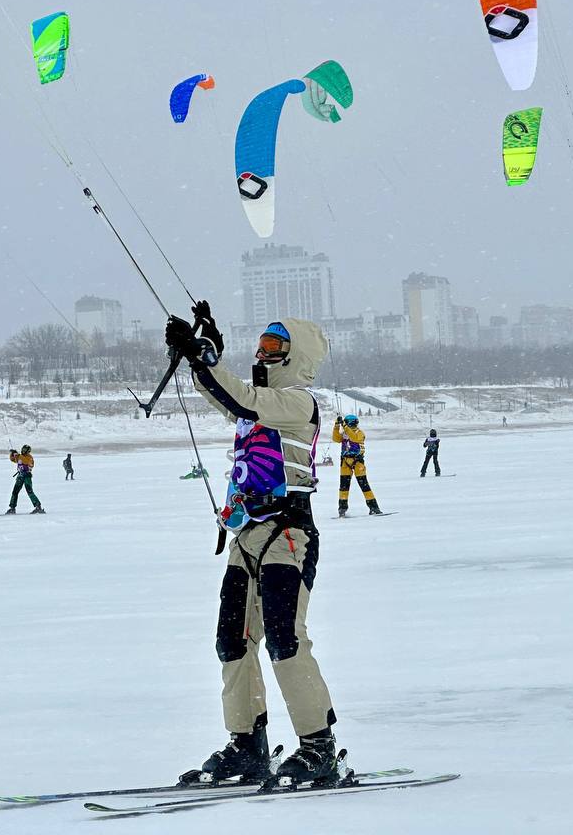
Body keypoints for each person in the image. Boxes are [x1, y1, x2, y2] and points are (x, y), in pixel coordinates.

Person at [166, 304, 344, 787]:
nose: (264, 353)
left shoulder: (298, 402)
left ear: (296, 355)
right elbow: (228, 396)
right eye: (261, 345)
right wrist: (197, 359)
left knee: (286, 640)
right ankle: (247, 743)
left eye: (274, 347)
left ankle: (318, 747)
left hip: (290, 536)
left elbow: (243, 399)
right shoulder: (260, 400)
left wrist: (204, 359)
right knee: (232, 641)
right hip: (247, 536)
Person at [334, 413, 382, 516]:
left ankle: (374, 507)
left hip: (357, 462)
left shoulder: (360, 433)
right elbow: (336, 439)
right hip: (345, 462)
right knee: (343, 487)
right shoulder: (345, 433)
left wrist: (345, 427)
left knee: (364, 486)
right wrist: (336, 425)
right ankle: (342, 509)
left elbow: (354, 438)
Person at [6, 444, 46, 514]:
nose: (23, 451)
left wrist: (18, 455)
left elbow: (26, 461)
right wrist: (12, 454)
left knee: (29, 491)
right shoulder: (20, 457)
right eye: (23, 449)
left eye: (25, 450)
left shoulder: (29, 458)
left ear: (28, 451)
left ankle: (38, 506)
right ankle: (12, 508)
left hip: (27, 476)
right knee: (15, 492)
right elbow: (13, 460)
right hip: (20, 476)